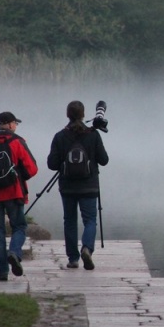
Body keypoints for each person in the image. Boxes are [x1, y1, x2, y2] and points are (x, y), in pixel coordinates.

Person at [0, 112, 38, 281]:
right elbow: (32, 168)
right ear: (10, 125)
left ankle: (2, 272)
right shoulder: (17, 142)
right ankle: (15, 253)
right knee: (19, 227)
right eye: (15, 123)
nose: (16, 126)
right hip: (14, 193)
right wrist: (19, 175)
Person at [47, 100, 109, 270]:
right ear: (83, 115)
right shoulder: (93, 134)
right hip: (89, 185)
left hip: (67, 187)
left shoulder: (60, 136)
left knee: (69, 220)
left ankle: (73, 258)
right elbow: (104, 160)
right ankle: (87, 248)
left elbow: (51, 164)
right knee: (90, 220)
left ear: (68, 114)